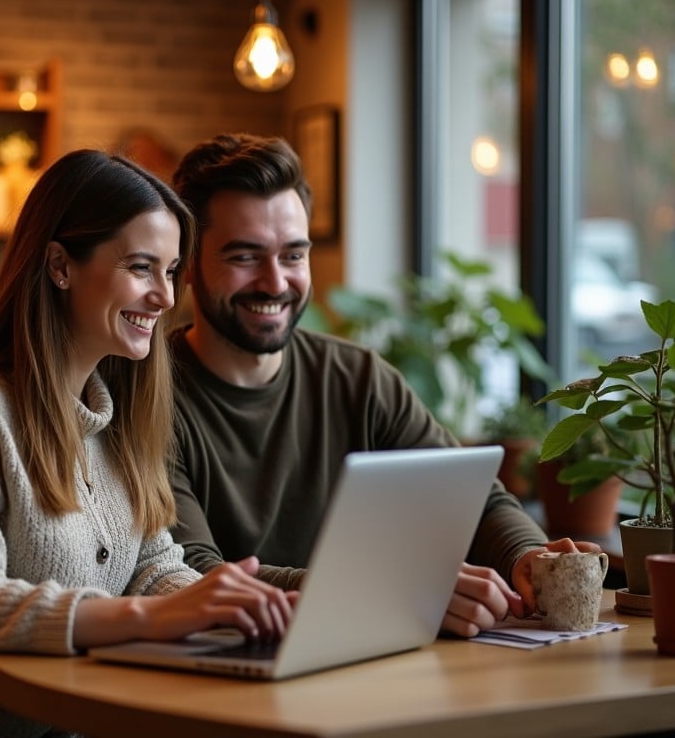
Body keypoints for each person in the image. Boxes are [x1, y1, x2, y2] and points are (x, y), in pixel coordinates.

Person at [0, 149, 295, 738]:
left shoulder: (118, 419)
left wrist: (227, 613)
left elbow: (155, 568)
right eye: (140, 267)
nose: (164, 297)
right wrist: (152, 617)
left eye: (170, 270)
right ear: (60, 264)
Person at [167, 132, 600, 638]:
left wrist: (529, 556)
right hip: (221, 684)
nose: (276, 281)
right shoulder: (146, 398)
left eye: (293, 255)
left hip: (368, 668)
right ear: (187, 263)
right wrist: (398, 592)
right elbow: (193, 574)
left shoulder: (359, 379)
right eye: (244, 257)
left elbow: (472, 498)